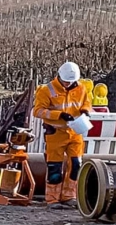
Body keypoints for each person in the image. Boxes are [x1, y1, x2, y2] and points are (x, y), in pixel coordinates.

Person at [32, 62, 93, 206]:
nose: (67, 84)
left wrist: (85, 110)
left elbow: (86, 102)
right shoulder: (47, 90)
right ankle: (52, 198)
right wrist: (59, 115)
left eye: (70, 81)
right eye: (66, 81)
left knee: (76, 165)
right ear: (59, 76)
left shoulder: (81, 88)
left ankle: (69, 196)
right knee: (55, 167)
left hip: (75, 132)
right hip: (56, 133)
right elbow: (38, 111)